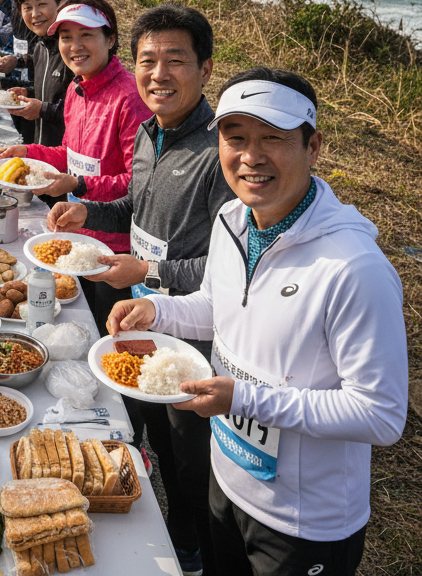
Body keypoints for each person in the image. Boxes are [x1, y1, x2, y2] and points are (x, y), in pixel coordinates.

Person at [108, 67, 408, 576]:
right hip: (226, 478)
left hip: (304, 520)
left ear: (313, 147)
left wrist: (244, 400)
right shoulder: (232, 221)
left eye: (273, 138)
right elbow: (217, 305)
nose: (251, 156)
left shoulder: (354, 269)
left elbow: (380, 415)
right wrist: (158, 310)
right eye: (236, 137)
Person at [48, 4, 229, 576]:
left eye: (175, 61)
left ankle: (191, 549)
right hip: (141, 319)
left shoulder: (219, 154)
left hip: (189, 338)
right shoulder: (153, 131)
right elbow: (136, 204)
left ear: (204, 68)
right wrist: (87, 208)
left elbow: (234, 273)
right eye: (148, 60)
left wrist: (149, 275)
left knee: (188, 459)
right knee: (142, 428)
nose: (158, 75)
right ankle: (162, 517)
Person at [0, 0, 151, 335]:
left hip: (115, 251)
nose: (75, 46)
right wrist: (25, 152)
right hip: (77, 237)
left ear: (110, 39)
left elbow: (140, 183)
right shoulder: (77, 89)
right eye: (66, 37)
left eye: (86, 35)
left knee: (108, 334)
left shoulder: (130, 98)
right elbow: (70, 155)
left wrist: (79, 186)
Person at [0, 0, 69, 147]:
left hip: (68, 158)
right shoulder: (40, 48)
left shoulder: (72, 51)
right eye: (27, 8)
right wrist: (29, 94)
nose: (35, 14)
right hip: (44, 150)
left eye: (42, 4)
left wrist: (42, 109)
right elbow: (51, 94)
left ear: (59, 3)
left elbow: (83, 110)